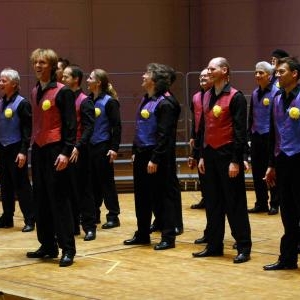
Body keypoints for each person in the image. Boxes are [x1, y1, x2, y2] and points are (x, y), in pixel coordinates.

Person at [192, 57, 252, 263]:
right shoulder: (206, 95)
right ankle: (214, 245)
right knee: (213, 202)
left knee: (235, 203)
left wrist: (236, 160)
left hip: (228, 156)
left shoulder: (236, 97)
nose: (208, 72)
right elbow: (203, 128)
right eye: (207, 68)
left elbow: (240, 132)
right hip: (209, 155)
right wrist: (200, 155)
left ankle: (243, 246)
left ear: (225, 71)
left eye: (212, 68)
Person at [26, 48, 77, 267]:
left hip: (56, 150)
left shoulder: (63, 91)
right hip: (38, 150)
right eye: (36, 62)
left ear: (53, 66)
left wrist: (66, 152)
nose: (38, 66)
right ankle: (47, 245)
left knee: (59, 200)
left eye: (43, 63)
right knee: (41, 200)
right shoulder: (35, 89)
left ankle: (67, 248)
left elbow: (70, 125)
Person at [124, 63, 180, 250]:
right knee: (142, 196)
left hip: (156, 156)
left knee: (163, 197)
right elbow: (140, 127)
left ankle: (168, 236)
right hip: (141, 153)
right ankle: (142, 234)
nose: (143, 76)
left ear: (155, 80)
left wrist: (155, 158)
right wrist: (134, 151)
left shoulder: (166, 103)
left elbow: (164, 136)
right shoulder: (145, 99)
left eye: (146, 74)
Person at [263, 56, 300, 271]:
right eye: (276, 72)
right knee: (287, 212)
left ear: (294, 74)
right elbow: (273, 134)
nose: (277, 75)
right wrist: (272, 164)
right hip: (283, 160)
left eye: (281, 72)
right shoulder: (276, 98)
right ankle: (287, 259)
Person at [62, 65, 97, 241]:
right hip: (66, 150)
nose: (63, 79)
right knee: (68, 190)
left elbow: (89, 127)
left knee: (83, 190)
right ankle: (73, 225)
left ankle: (89, 227)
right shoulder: (64, 98)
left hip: (80, 151)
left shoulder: (85, 100)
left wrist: (78, 146)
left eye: (66, 77)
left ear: (76, 79)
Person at [149, 65, 183, 236]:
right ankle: (160, 219)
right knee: (157, 188)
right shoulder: (155, 98)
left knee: (170, 188)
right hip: (158, 148)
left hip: (166, 151)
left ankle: (176, 223)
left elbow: (165, 132)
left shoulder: (169, 101)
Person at [0, 68, 35, 232]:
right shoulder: (1, 103)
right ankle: (7, 217)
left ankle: (30, 219)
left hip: (16, 148)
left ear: (14, 84)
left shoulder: (22, 103)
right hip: (3, 149)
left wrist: (23, 151)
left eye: (3, 81)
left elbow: (27, 131)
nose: (0, 83)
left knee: (21, 185)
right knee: (5, 185)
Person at [87, 69, 121, 229]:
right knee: (92, 182)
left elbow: (117, 127)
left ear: (98, 82)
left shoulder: (109, 101)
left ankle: (113, 216)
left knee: (106, 183)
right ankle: (94, 214)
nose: (87, 80)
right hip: (90, 147)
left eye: (90, 78)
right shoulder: (88, 100)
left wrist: (114, 148)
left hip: (103, 146)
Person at [247, 61, 280, 215]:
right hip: (256, 135)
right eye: (256, 72)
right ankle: (261, 202)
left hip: (269, 136)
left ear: (270, 76)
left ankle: (274, 202)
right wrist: (249, 135)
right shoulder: (254, 93)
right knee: (257, 171)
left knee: (271, 170)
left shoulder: (276, 93)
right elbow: (251, 116)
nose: (257, 75)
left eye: (261, 73)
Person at [189, 68, 213, 210]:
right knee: (201, 170)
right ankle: (205, 197)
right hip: (199, 136)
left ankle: (213, 197)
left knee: (210, 169)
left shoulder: (215, 95)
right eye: (200, 76)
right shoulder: (196, 96)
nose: (202, 78)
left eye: (205, 76)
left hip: (211, 136)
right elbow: (195, 118)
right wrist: (193, 135)